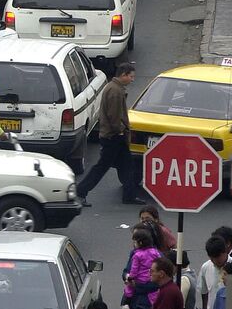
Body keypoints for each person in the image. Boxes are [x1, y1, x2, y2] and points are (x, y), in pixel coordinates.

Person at [76, 63, 145, 207]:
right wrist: (120, 130)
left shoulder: (114, 88)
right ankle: (80, 191)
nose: (132, 79)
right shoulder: (115, 92)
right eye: (131, 76)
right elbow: (114, 117)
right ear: (123, 75)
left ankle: (129, 195)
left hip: (114, 136)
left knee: (127, 165)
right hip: (114, 137)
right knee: (102, 167)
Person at [122, 229, 161, 308]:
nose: (134, 244)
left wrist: (130, 278)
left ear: (140, 243)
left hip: (140, 279)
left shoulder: (137, 255)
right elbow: (160, 262)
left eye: (135, 242)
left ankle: (125, 303)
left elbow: (134, 269)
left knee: (129, 290)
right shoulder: (155, 252)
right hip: (151, 278)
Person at [198, 235, 232, 309]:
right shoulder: (205, 267)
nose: (215, 261)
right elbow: (204, 292)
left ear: (225, 251)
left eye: (217, 257)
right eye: (211, 258)